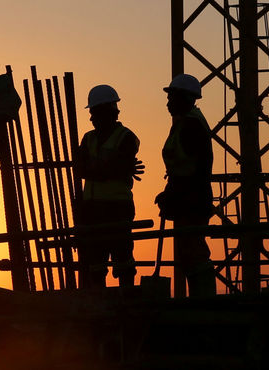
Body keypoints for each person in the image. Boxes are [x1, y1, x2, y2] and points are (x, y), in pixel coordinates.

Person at [75, 84, 143, 288]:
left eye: (95, 113)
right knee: (95, 260)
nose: (91, 118)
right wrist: (109, 168)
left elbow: (116, 168)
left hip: (117, 207)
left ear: (109, 112)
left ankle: (127, 302)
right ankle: (99, 303)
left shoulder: (126, 137)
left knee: (122, 256)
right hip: (92, 209)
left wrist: (97, 169)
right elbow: (81, 170)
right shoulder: (88, 138)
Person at [155, 73, 216, 297]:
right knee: (188, 251)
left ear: (186, 98)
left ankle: (204, 299)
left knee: (194, 249)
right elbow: (180, 166)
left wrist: (175, 194)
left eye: (172, 97)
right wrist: (170, 192)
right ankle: (200, 297)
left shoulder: (191, 126)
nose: (168, 102)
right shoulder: (184, 123)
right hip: (186, 198)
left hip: (193, 199)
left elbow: (194, 170)